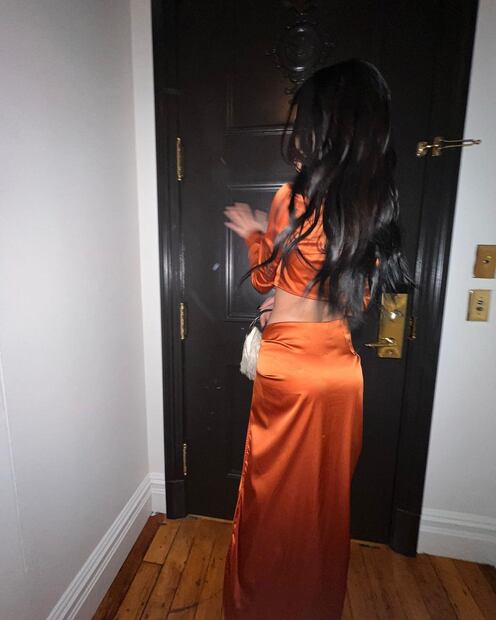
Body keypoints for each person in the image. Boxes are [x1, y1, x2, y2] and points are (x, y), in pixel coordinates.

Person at [222, 58, 415, 620]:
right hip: (341, 372)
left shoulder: (294, 197)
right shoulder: (375, 207)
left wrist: (254, 235)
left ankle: (258, 607)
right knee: (323, 508)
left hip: (292, 369)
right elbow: (357, 299)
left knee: (271, 505)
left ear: (324, 127)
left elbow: (266, 277)